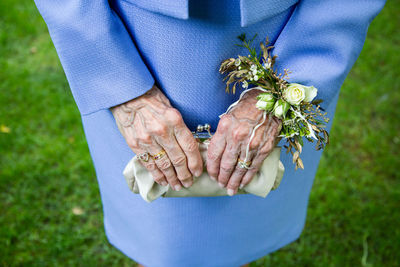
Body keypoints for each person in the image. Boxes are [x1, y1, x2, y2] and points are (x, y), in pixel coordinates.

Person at [33, 0, 385, 266]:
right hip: (135, 37)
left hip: (287, 34)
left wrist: (285, 88)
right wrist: (124, 89)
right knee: (163, 241)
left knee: (239, 234)